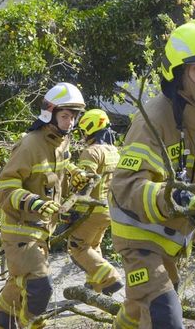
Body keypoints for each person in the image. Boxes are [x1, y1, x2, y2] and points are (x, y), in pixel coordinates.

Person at [109, 19, 195, 329]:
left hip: (171, 238)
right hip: (139, 236)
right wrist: (174, 197)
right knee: (165, 315)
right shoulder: (153, 119)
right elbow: (126, 186)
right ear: (178, 73)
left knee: (140, 310)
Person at [0, 83, 86, 329]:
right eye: (65, 116)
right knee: (39, 287)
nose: (70, 122)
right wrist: (34, 202)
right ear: (50, 113)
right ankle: (28, 325)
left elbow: (57, 170)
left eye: (74, 117)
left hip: (43, 229)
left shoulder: (60, 143)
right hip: (20, 229)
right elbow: (6, 187)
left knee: (18, 282)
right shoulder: (30, 145)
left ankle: (4, 322)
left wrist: (75, 172)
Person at [64, 108, 124, 297]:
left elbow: (84, 183)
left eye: (83, 130)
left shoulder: (91, 152)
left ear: (90, 128)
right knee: (92, 245)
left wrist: (68, 168)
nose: (82, 135)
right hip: (109, 210)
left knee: (77, 247)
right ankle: (94, 285)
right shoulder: (114, 151)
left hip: (91, 210)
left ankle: (110, 277)